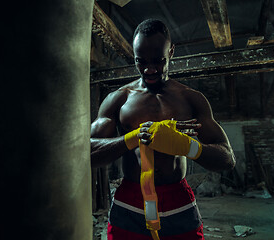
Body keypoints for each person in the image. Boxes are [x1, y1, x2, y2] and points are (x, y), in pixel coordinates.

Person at [91, 19, 236, 240]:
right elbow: (87, 152)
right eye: (141, 61)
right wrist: (132, 138)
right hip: (130, 198)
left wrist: (188, 147)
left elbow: (228, 159)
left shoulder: (191, 99)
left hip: (176, 198)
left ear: (171, 52)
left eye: (158, 61)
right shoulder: (119, 99)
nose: (149, 69)